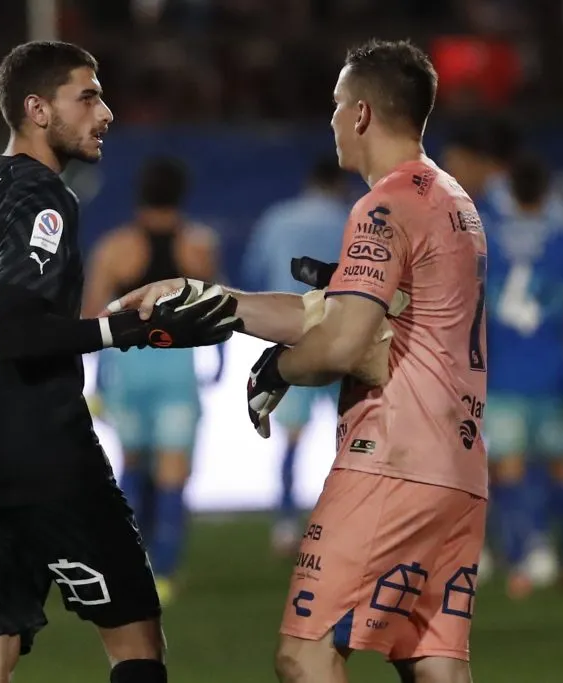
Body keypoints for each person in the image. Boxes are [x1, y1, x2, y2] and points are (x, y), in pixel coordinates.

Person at [110, 39, 487, 683]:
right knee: (432, 662)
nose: (332, 119)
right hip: (457, 468)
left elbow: (340, 345)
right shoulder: (451, 200)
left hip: (391, 460)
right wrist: (211, 299)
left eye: (337, 105)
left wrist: (277, 369)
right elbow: (341, 316)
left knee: (305, 654)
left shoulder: (383, 204)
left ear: (362, 113)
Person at [0, 41, 240, 683]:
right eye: (88, 96)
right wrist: (128, 328)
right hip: (41, 452)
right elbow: (16, 331)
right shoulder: (42, 196)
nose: (107, 112)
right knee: (136, 640)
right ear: (38, 109)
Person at [83, 155, 219, 603]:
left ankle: (131, 563)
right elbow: (222, 312)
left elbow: (92, 321)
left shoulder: (114, 248)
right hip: (176, 373)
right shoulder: (199, 247)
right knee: (173, 473)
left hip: (127, 373)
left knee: (133, 469)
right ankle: (163, 572)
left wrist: (98, 384)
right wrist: (216, 364)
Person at [483, 154, 563, 599]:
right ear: (547, 193)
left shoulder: (487, 238)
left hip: (503, 376)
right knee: (561, 468)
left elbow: (470, 313)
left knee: (507, 469)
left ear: (511, 191)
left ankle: (523, 560)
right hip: (552, 376)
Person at [243, 156, 351, 556]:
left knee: (290, 438)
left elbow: (255, 273)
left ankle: (286, 524)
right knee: (351, 434)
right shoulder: (351, 217)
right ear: (337, 184)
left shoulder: (278, 218)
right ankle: (344, 521)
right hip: (343, 338)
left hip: (291, 336)